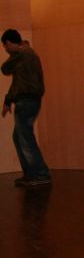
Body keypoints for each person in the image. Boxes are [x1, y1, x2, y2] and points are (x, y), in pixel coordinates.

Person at [1, 28, 51, 187]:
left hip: (27, 101)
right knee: (19, 137)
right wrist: (8, 100)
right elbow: (17, 83)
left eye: (5, 46)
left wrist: (15, 50)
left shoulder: (24, 53)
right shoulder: (25, 54)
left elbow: (5, 69)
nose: (5, 49)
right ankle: (31, 174)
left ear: (8, 42)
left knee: (25, 138)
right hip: (28, 100)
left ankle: (41, 174)